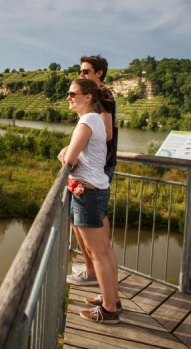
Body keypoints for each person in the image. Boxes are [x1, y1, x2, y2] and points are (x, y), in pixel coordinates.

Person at [58, 78, 120, 324]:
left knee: (98, 254)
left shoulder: (86, 121)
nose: (68, 97)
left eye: (73, 93)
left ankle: (109, 310)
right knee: (104, 250)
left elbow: (70, 159)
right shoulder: (95, 120)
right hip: (98, 189)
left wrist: (64, 154)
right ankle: (112, 299)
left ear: (88, 97)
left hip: (88, 194)